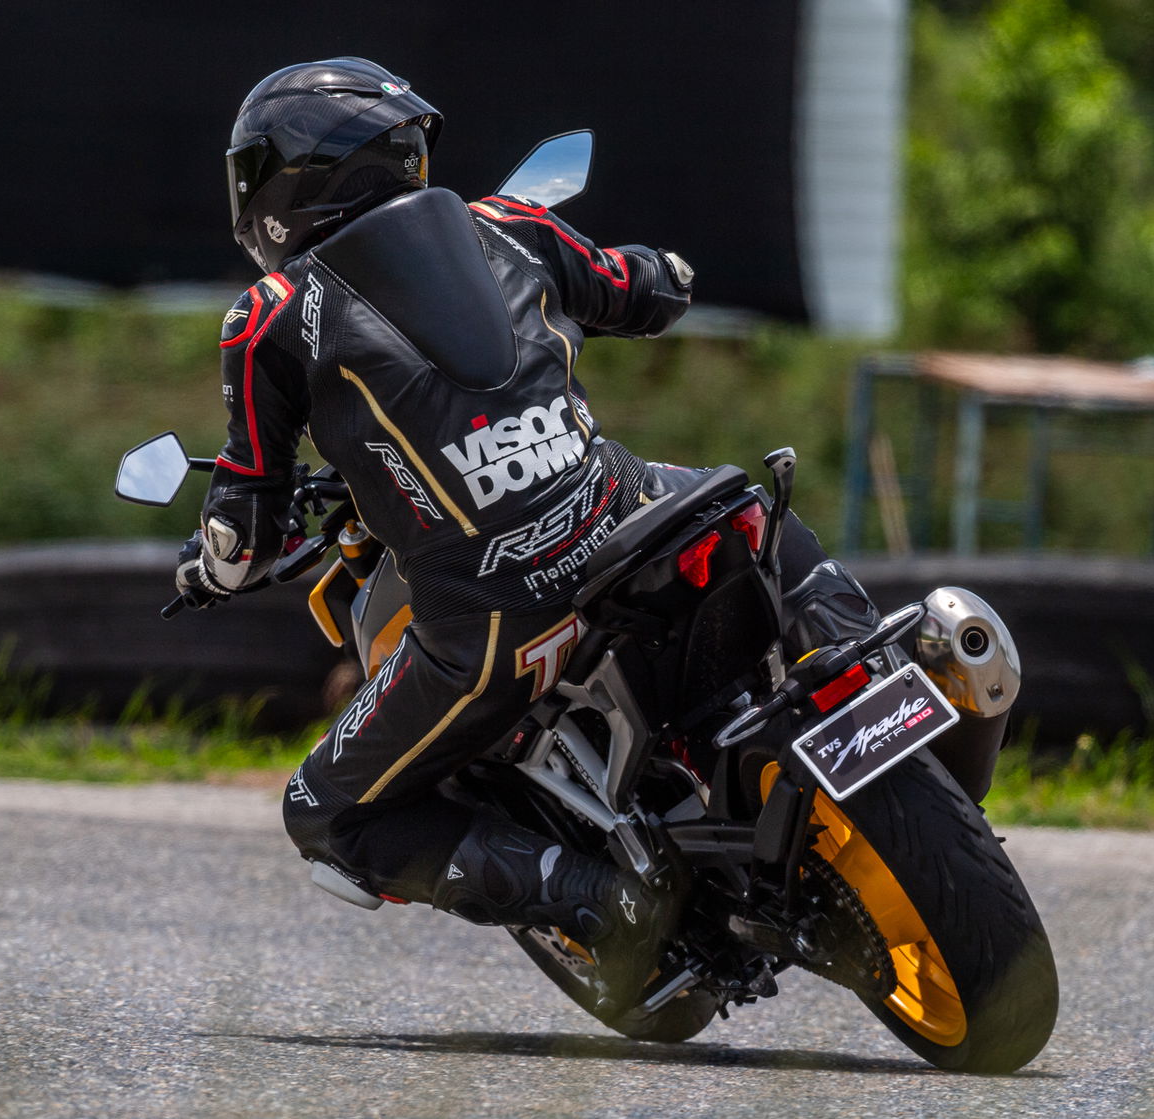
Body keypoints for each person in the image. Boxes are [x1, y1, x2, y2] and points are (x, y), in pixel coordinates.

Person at [176, 56, 822, 1013]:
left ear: (284, 183)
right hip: (620, 510)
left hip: (493, 621)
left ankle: (602, 899)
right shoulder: (509, 225)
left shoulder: (270, 314)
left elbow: (244, 529)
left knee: (323, 811)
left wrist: (208, 570)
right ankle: (867, 669)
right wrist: (670, 269)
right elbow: (647, 288)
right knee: (750, 510)